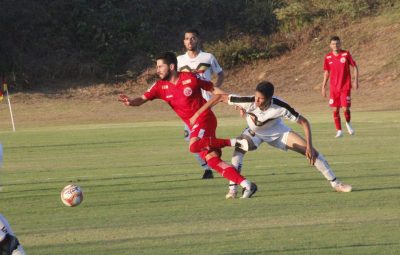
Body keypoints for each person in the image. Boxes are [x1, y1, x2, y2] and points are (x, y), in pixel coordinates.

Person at [118, 51, 257, 198]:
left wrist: (233, 101)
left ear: (171, 66)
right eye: (156, 67)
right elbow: (141, 99)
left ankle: (235, 142)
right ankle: (246, 184)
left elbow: (214, 90)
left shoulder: (190, 78)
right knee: (212, 160)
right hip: (193, 125)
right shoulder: (160, 86)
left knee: (193, 146)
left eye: (160, 66)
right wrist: (130, 102)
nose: (157, 70)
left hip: (204, 118)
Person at [190, 81, 352, 199]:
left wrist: (309, 146)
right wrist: (198, 114)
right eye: (256, 97)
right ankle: (233, 188)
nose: (257, 101)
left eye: (261, 99)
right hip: (254, 133)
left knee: (313, 154)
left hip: (278, 133)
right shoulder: (249, 101)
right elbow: (218, 97)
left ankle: (336, 183)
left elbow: (304, 122)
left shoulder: (280, 106)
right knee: (238, 151)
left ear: (270, 99)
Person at [177, 28, 225, 179]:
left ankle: (212, 163)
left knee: (197, 138)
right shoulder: (179, 60)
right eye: (186, 38)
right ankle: (209, 165)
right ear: (183, 41)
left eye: (192, 38)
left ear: (198, 40)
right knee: (190, 138)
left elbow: (220, 73)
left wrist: (215, 88)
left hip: (206, 103)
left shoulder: (208, 57)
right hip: (190, 105)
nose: (189, 41)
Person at [322, 36, 359, 138]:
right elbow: (326, 72)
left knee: (345, 108)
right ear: (330, 45)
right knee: (335, 110)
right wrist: (323, 86)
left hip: (345, 86)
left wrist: (355, 80)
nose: (335, 46)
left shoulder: (346, 54)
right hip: (334, 88)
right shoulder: (328, 57)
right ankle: (339, 130)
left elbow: (355, 66)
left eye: (337, 44)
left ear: (340, 44)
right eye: (333, 44)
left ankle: (348, 123)